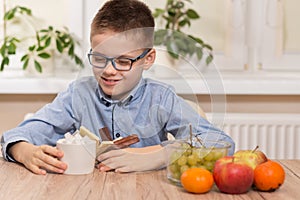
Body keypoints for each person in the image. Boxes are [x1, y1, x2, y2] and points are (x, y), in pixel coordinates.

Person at [1, 0, 235, 175]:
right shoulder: (79, 94)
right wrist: (24, 151)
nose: (109, 71)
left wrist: (158, 155)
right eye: (100, 58)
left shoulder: (161, 98)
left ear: (148, 59)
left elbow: (220, 142)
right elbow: (17, 135)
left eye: (123, 61)